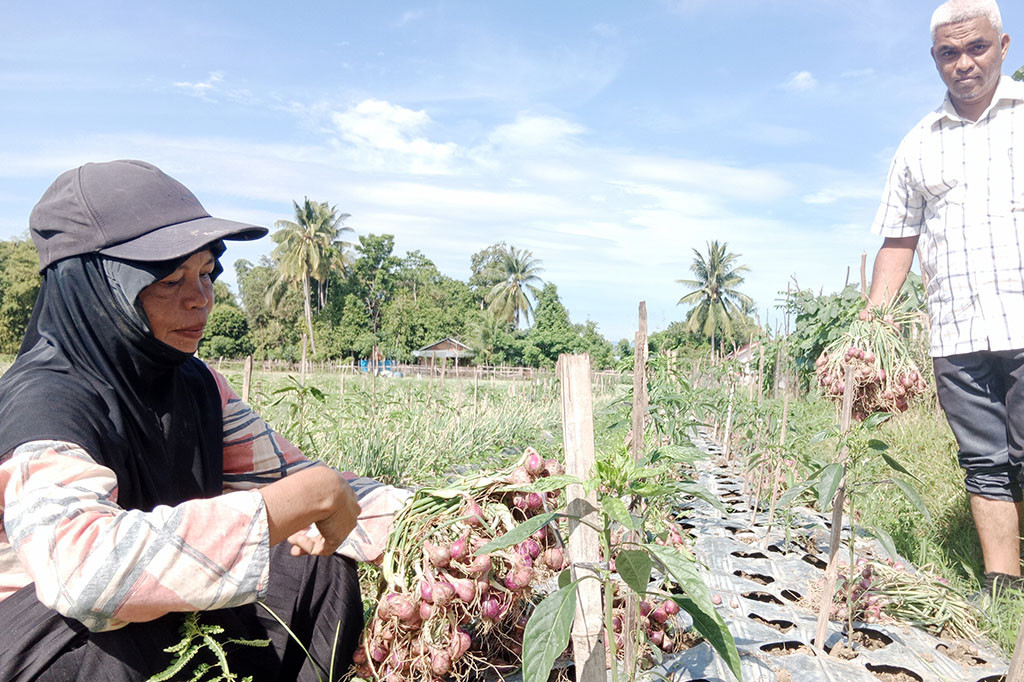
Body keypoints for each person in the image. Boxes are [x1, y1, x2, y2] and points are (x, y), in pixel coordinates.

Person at [0, 160, 379, 680]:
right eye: (169, 279)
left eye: (204, 273)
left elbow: (305, 482)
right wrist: (296, 501)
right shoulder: (43, 406)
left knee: (318, 567)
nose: (200, 299)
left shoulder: (193, 385)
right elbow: (83, 573)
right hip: (39, 643)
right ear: (95, 293)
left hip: (153, 625)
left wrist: (462, 521)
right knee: (117, 639)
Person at [867, 0, 1024, 594]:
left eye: (976, 48)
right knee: (984, 461)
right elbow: (898, 240)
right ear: (935, 60)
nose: (964, 63)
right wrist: (873, 323)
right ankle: (1001, 582)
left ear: (1003, 47)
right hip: (956, 331)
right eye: (949, 53)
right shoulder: (918, 144)